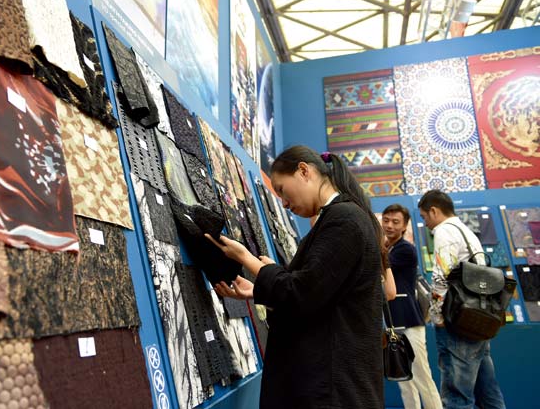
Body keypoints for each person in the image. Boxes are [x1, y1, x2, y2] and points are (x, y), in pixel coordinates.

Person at [206, 146, 384, 409]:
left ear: (304, 171)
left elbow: (303, 292)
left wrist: (247, 259)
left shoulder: (344, 219)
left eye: (281, 190)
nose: (285, 204)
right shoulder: (340, 218)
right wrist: (257, 289)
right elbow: (320, 292)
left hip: (330, 389)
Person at [418, 190, 506, 409]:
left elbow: (441, 276)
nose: (426, 223)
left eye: (424, 217)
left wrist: (437, 316)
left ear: (434, 210)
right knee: (488, 392)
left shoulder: (444, 231)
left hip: (457, 322)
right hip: (478, 319)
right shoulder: (467, 232)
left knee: (457, 396)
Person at [382, 204, 442, 409]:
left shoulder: (405, 249)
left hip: (409, 322)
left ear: (405, 226)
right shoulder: (389, 247)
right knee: (405, 382)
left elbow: (380, 265)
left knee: (422, 378)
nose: (389, 226)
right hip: (394, 323)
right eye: (386, 221)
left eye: (395, 222)